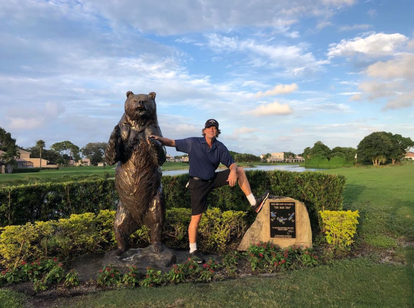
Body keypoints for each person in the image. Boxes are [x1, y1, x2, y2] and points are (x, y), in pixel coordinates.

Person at [149, 119, 269, 263]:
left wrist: (232, 170)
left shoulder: (220, 147)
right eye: (209, 128)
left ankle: (254, 203)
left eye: (214, 128)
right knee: (196, 218)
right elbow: (172, 142)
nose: (212, 130)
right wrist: (159, 139)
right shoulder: (193, 143)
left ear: (217, 131)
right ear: (204, 130)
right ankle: (193, 250)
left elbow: (232, 163)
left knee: (240, 170)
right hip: (198, 184)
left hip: (213, 179)